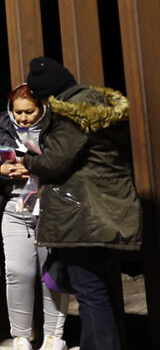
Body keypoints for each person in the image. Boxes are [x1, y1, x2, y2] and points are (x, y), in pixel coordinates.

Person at [21, 57, 141, 350]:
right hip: (104, 208)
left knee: (90, 291)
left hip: (83, 213)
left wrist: (25, 160)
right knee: (100, 291)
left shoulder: (71, 113)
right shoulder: (94, 103)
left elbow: (53, 162)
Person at [0, 84, 69, 350]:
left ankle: (54, 336)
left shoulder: (57, 128)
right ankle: (21, 337)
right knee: (17, 271)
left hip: (50, 208)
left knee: (51, 272)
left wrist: (36, 168)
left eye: (29, 111)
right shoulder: (3, 129)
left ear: (42, 107)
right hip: (14, 207)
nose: (22, 118)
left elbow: (66, 164)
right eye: (17, 112)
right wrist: (2, 168)